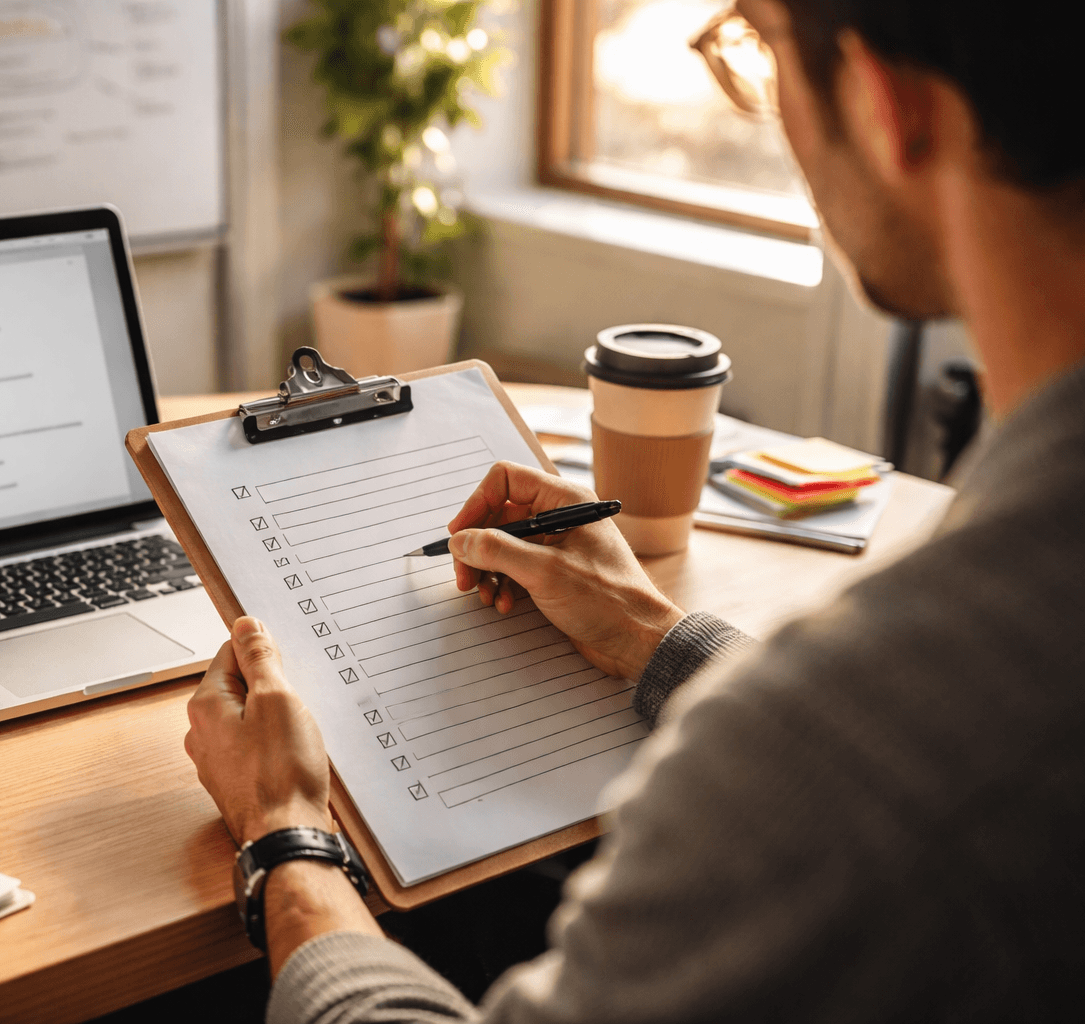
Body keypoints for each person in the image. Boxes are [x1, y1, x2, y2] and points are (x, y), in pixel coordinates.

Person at [183, 0, 1085, 1019]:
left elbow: (864, 762)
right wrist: (662, 637)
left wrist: (288, 836)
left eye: (760, 45)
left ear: (887, 102)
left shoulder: (851, 746)